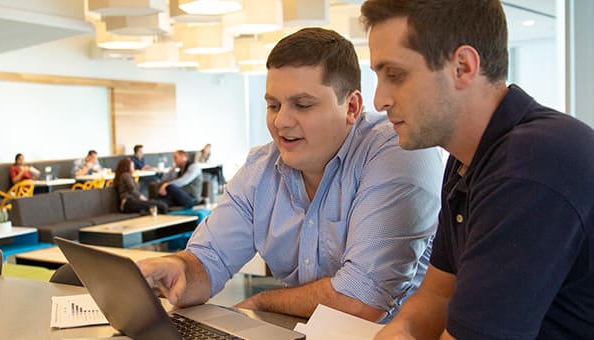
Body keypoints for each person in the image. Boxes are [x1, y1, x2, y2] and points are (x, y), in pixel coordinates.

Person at [360, 1, 594, 338]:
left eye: (395, 75)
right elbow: (438, 294)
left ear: (463, 67)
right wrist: (400, 330)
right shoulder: (469, 158)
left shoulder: (533, 163)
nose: (379, 99)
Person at [137, 27, 443, 321]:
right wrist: (179, 267)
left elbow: (362, 301)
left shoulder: (397, 151)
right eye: (273, 105)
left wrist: (262, 302)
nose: (281, 121)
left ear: (351, 107)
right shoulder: (261, 168)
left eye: (303, 105)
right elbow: (208, 261)